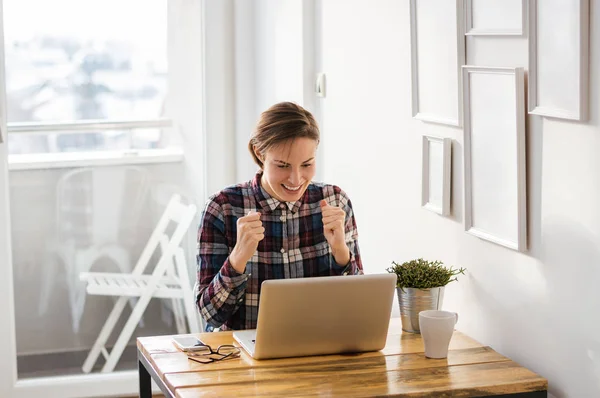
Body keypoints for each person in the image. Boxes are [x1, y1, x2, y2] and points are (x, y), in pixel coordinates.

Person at [194, 102, 363, 331]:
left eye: (307, 164)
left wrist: (341, 253)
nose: (296, 179)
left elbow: (357, 308)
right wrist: (237, 259)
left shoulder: (336, 201)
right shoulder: (222, 208)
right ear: (259, 153)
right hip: (244, 357)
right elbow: (210, 315)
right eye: (282, 165)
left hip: (319, 347)